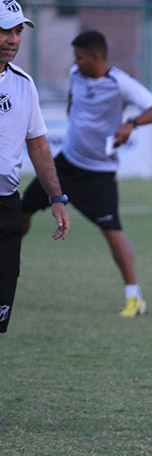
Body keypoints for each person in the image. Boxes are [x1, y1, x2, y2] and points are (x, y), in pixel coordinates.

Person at [21, 30, 152, 317]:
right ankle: (10, 256)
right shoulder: (76, 74)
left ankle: (134, 297)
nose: (74, 63)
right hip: (65, 164)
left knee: (112, 232)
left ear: (96, 57)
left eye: (79, 57)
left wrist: (131, 124)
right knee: (21, 210)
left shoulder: (120, 83)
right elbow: (74, 101)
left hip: (98, 173)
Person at [0, 1, 70, 334]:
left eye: (17, 31)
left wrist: (56, 197)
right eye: (4, 30)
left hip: (6, 205)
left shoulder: (24, 84)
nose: (12, 39)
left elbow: (38, 145)